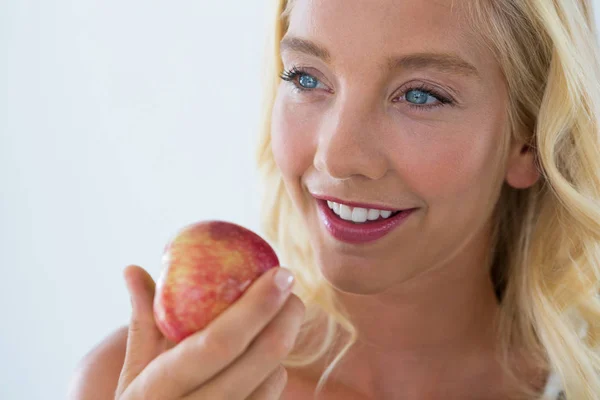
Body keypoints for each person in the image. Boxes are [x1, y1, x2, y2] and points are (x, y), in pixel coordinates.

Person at [68, 0, 600, 399]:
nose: (337, 156)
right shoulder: (131, 382)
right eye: (306, 77)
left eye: (420, 94)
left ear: (529, 140)